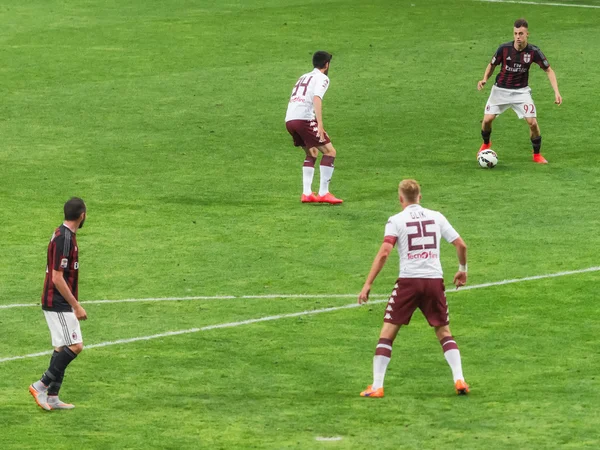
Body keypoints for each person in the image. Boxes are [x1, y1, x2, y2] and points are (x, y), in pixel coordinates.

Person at [357, 180, 469, 397]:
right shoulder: (437, 216)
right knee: (444, 332)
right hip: (434, 281)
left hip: (409, 282)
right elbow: (461, 245)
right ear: (420, 196)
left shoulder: (396, 220)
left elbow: (384, 253)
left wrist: (368, 283)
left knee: (387, 334)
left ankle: (377, 386)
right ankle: (460, 380)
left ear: (400, 199)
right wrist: (462, 269)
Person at [29, 197, 88, 411]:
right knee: (75, 345)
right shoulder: (64, 239)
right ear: (82, 215)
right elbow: (57, 277)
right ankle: (41, 385)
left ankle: (53, 396)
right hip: (58, 301)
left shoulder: (62, 234)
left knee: (61, 347)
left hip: (54, 300)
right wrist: (76, 305)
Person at [477, 18, 562, 164]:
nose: (518, 36)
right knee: (487, 120)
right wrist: (485, 78)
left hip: (521, 92)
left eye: (521, 33)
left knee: (533, 123)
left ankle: (537, 155)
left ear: (527, 34)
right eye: (515, 33)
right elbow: (492, 65)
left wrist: (556, 91)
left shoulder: (534, 52)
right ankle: (486, 143)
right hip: (500, 90)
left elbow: (549, 70)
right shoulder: (503, 49)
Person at [285, 51, 343, 204]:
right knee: (330, 151)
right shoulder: (323, 78)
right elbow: (316, 98)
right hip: (304, 119)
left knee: (312, 152)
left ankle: (307, 193)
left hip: (290, 119)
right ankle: (324, 193)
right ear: (326, 64)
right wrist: (320, 125)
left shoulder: (303, 76)